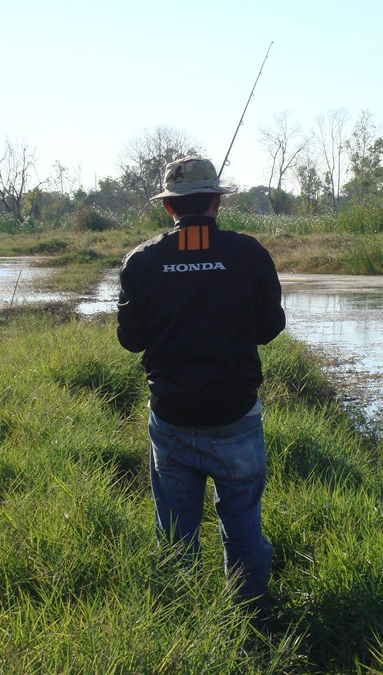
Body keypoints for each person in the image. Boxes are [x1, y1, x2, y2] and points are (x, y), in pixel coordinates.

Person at [116, 156, 285, 603]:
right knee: (243, 520)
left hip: (170, 416)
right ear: (216, 202)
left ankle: (179, 618)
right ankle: (252, 615)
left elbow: (130, 341)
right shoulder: (249, 253)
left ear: (169, 208)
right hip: (235, 415)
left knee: (174, 531)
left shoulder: (141, 260)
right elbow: (270, 328)